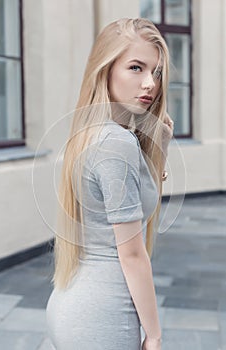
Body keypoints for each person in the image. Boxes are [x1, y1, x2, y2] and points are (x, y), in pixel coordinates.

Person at [46, 18, 174, 350]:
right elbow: (132, 253)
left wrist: (160, 149)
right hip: (102, 315)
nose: (150, 83)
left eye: (156, 72)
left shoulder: (92, 133)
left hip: (74, 301)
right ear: (106, 70)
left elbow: (133, 205)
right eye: (136, 67)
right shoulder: (116, 143)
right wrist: (155, 333)